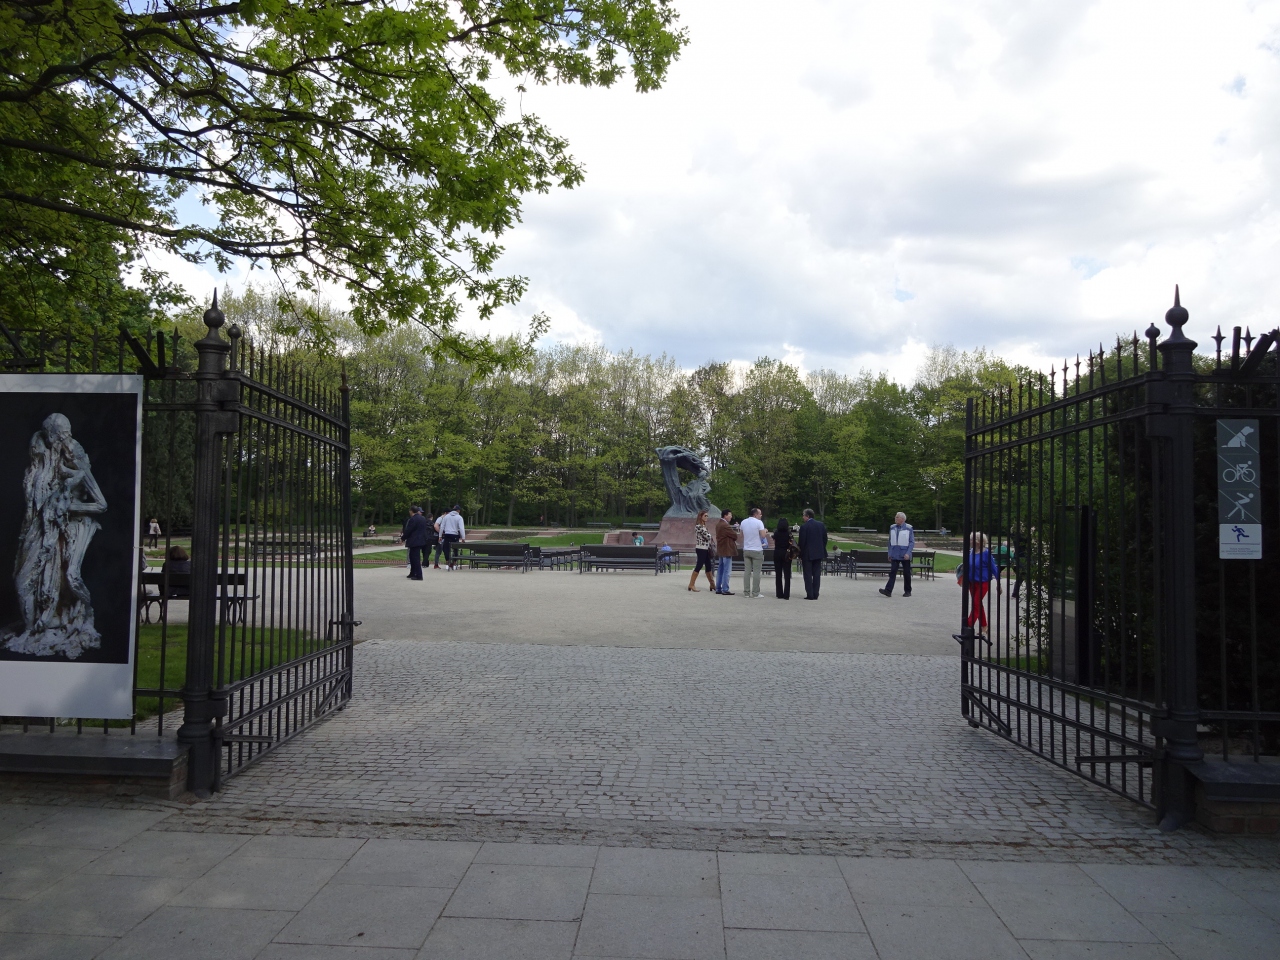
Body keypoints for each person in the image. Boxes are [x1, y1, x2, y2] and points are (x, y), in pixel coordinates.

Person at [960, 532, 1001, 631]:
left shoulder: (986, 554)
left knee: (976, 603)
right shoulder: (971, 552)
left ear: (978, 542)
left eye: (971, 539)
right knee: (978, 604)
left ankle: (968, 625)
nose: (969, 541)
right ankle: (984, 626)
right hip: (972, 583)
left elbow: (994, 569)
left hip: (983, 583)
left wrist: (998, 583)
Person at [879, 511, 914, 598]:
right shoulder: (892, 527)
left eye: (897, 517)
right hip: (895, 554)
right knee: (892, 572)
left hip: (904, 554)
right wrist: (889, 553)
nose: (895, 518)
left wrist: (908, 553)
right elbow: (890, 542)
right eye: (896, 517)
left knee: (907, 573)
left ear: (902, 519)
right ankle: (888, 591)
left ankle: (908, 591)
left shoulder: (909, 528)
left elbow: (911, 542)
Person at [797, 508, 828, 600]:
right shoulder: (821, 525)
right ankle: (816, 593)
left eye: (803, 515)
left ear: (807, 516)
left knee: (807, 574)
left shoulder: (804, 527)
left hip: (807, 554)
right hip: (818, 553)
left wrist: (800, 554)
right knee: (817, 574)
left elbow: (802, 542)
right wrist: (821, 548)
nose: (803, 517)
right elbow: (825, 539)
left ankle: (810, 594)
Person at [739, 507, 767, 599]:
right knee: (756, 572)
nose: (761, 515)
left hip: (747, 549)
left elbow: (741, 535)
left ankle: (746, 592)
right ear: (755, 514)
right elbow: (763, 535)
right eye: (760, 514)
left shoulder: (743, 522)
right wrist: (765, 531)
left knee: (747, 572)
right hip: (757, 549)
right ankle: (755, 593)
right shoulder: (759, 522)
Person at [687, 510, 716, 592]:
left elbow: (708, 537)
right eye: (705, 516)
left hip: (706, 548)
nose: (707, 517)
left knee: (708, 566)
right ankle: (691, 584)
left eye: (707, 516)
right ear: (700, 517)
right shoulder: (698, 526)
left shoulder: (703, 526)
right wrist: (709, 535)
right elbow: (708, 536)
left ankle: (712, 584)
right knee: (699, 565)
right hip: (701, 548)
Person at [402, 506, 430, 579]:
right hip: (421, 540)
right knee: (412, 556)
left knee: (415, 558)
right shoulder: (422, 518)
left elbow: (409, 530)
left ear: (411, 511)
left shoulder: (413, 519)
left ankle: (418, 575)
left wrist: (403, 538)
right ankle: (413, 572)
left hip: (414, 540)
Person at [714, 509, 737, 595]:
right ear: (725, 515)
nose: (731, 516)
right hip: (727, 550)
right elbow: (734, 535)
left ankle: (718, 588)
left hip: (721, 549)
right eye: (730, 515)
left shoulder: (719, 524)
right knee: (727, 570)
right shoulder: (725, 525)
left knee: (720, 569)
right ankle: (725, 589)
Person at [436, 504, 466, 570]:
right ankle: (454, 562)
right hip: (455, 535)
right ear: (458, 510)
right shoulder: (459, 517)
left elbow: (442, 527)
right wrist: (463, 538)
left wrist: (440, 536)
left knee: (446, 548)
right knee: (455, 549)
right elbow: (461, 528)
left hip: (447, 534)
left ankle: (447, 561)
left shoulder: (446, 517)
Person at [773, 517, 794, 599]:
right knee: (787, 574)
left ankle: (779, 593)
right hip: (787, 554)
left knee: (778, 574)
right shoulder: (789, 534)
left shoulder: (776, 533)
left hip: (777, 553)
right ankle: (786, 594)